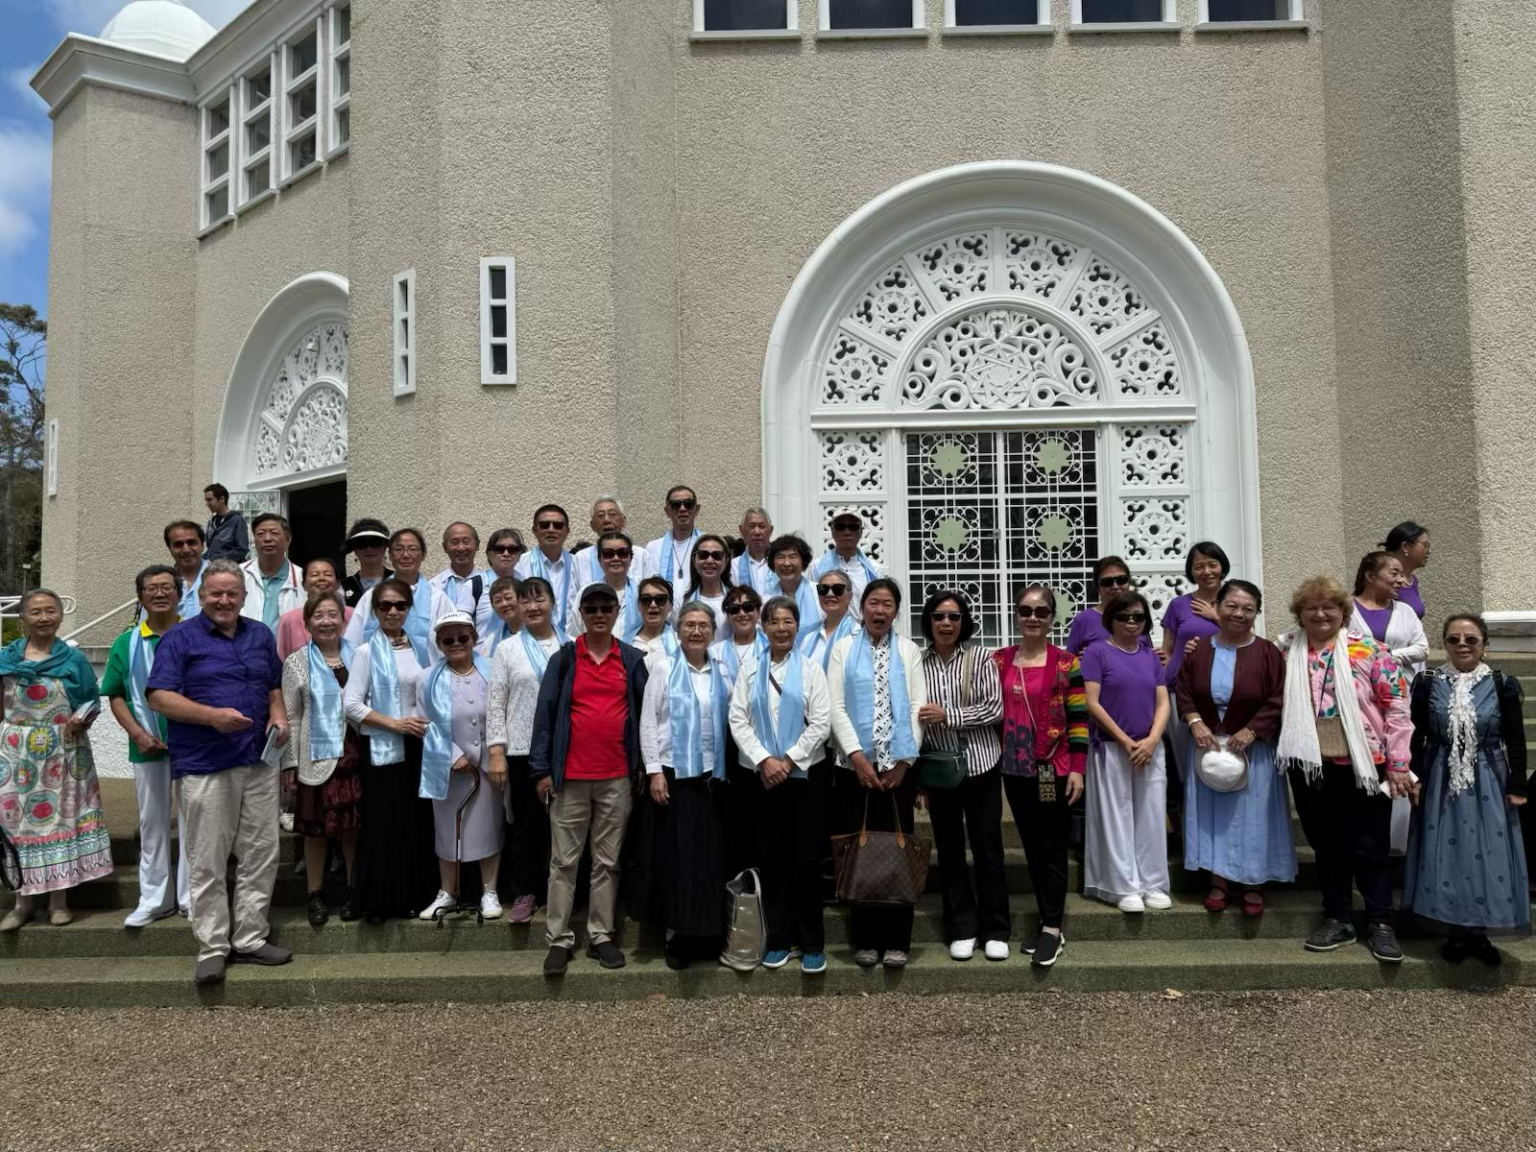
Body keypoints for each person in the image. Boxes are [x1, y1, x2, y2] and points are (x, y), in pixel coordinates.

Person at [145, 561, 290, 985]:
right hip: (207, 764)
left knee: (262, 852)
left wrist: (279, 715)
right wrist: (211, 717)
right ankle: (212, 946)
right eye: (216, 594)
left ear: (244, 597)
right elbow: (158, 697)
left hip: (258, 761)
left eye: (232, 594)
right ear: (201, 596)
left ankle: (250, 937)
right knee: (207, 858)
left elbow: (273, 685)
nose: (224, 601)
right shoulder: (180, 638)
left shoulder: (260, 635)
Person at [1276, 575, 1413, 963]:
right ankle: (1337, 917)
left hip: (1365, 763)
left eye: (1328, 607)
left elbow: (1397, 707)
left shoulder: (1370, 650)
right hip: (1310, 766)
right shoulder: (1285, 651)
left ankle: (1380, 922)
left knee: (1370, 846)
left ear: (1343, 612)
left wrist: (1400, 763)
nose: (1320, 614)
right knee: (1327, 846)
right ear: (1299, 614)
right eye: (1311, 608)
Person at [530, 582, 650, 977]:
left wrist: (642, 768)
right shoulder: (565, 660)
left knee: (607, 862)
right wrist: (542, 770)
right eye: (592, 608)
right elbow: (545, 718)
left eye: (606, 608)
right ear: (581, 612)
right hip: (570, 778)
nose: (599, 614)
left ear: (618, 612)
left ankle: (600, 935)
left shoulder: (631, 659)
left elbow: (644, 719)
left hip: (616, 778)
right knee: (563, 862)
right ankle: (559, 938)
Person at [1405, 614, 1529, 962]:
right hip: (1440, 776)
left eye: (1471, 639)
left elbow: (1515, 738)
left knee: (1487, 852)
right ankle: (1454, 930)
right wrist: (1414, 777)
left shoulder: (1502, 684)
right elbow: (1416, 735)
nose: (1462, 645)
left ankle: (1481, 933)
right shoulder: (1428, 682)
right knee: (1447, 851)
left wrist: (1518, 782)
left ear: (1484, 646)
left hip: (1489, 775)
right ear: (1443, 644)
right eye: (1454, 639)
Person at [1177, 579, 1293, 919]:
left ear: (1256, 612)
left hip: (1252, 751)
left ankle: (1253, 883)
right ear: (1219, 606)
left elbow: (1279, 696)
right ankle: (1219, 880)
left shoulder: (1268, 653)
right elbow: (1183, 688)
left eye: (1247, 608)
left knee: (1251, 817)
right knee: (1216, 818)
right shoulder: (1199, 649)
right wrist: (1195, 722)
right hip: (1208, 747)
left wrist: (1253, 730)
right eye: (1231, 605)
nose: (1238, 613)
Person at [729, 595, 833, 973]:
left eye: (788, 621)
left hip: (804, 778)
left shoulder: (811, 670)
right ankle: (778, 940)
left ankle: (812, 943)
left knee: (806, 859)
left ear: (796, 625)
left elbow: (821, 722)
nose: (781, 628)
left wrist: (787, 761)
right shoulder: (750, 670)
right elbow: (738, 718)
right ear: (763, 626)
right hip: (762, 779)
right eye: (774, 622)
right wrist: (764, 760)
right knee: (772, 860)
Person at [827, 578, 926, 968]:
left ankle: (898, 940)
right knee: (861, 851)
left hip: (899, 770)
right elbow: (835, 706)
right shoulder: (843, 650)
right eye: (873, 603)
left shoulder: (908, 650)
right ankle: (865, 939)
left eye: (887, 604)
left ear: (896, 611)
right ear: (861, 607)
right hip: (855, 770)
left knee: (899, 851)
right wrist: (857, 757)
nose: (880, 610)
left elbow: (918, 705)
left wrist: (905, 762)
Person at [0, 589, 112, 932]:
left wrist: (81, 718)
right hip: (16, 753)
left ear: (60, 616)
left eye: (50, 611)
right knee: (16, 825)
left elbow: (92, 702)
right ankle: (21, 904)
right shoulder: (5, 659)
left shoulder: (74, 660)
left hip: (64, 751)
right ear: (23, 618)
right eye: (36, 612)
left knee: (62, 820)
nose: (44, 617)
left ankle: (59, 901)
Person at [993, 583, 1087, 969]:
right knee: (1031, 844)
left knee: (1050, 846)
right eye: (1025, 610)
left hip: (1051, 769)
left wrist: (1078, 770)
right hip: (1013, 771)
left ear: (1052, 618)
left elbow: (1079, 721)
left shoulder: (1066, 663)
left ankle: (1052, 927)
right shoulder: (999, 660)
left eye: (1041, 612)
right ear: (1016, 615)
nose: (1032, 618)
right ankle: (1047, 916)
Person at [637, 603, 732, 968]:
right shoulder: (661, 668)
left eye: (703, 626)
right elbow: (648, 722)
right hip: (674, 776)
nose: (696, 632)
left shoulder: (720, 671)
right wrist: (654, 771)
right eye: (689, 625)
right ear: (678, 631)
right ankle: (677, 935)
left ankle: (708, 934)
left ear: (712, 631)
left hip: (712, 777)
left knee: (708, 858)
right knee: (677, 859)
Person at [916, 591, 1006, 961]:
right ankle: (962, 927)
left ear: (963, 621)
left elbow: (995, 707)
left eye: (954, 617)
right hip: (939, 769)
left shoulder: (981, 657)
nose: (946, 623)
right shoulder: (917, 663)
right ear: (929, 622)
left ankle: (996, 928)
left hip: (981, 764)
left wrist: (949, 715)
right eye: (939, 616)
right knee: (950, 850)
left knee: (987, 848)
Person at [342, 576, 437, 922]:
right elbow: (350, 704)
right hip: (383, 747)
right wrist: (394, 724)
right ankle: (382, 900)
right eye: (385, 606)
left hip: (419, 747)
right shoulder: (366, 652)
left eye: (400, 605)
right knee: (383, 822)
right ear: (375, 610)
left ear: (409, 609)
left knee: (416, 822)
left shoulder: (423, 647)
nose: (393, 612)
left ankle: (415, 894)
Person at [101, 566, 190, 927]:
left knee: (193, 824)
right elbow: (116, 694)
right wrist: (137, 733)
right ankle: (154, 899)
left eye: (167, 587)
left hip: (193, 746)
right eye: (151, 588)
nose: (159, 593)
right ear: (140, 597)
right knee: (152, 823)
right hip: (146, 746)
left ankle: (190, 897)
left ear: (179, 593)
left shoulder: (195, 634)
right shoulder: (127, 642)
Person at [1081, 590, 1171, 913]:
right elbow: (1092, 703)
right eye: (1123, 616)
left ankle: (1153, 882)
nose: (1131, 622)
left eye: (1138, 617)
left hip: (1149, 748)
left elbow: (1163, 702)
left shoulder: (1149, 655)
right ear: (1110, 620)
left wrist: (1152, 740)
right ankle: (1122, 885)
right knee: (1116, 816)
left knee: (1150, 814)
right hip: (1111, 746)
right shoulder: (1096, 652)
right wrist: (1125, 741)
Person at [415, 612, 505, 922]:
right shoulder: (427, 678)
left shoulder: (492, 669)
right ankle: (448, 892)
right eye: (448, 640)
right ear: (439, 644)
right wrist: (453, 755)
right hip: (450, 767)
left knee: (488, 828)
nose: (456, 644)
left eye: (462, 638)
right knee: (446, 828)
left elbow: (501, 712)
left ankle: (489, 890)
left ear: (474, 639)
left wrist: (496, 753)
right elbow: (424, 722)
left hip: (488, 765)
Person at [280, 593, 362, 926]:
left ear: (343, 621)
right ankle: (315, 894)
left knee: (353, 829)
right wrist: (290, 763)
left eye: (333, 615)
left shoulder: (360, 656)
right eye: (319, 616)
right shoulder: (296, 662)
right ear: (307, 622)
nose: (327, 621)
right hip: (315, 758)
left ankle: (354, 890)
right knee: (315, 831)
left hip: (356, 756)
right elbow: (292, 717)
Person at [487, 576, 564, 924]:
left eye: (540, 600)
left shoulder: (569, 645)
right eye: (526, 601)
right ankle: (524, 890)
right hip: (520, 750)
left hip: (564, 751)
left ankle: (561, 891)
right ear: (516, 606)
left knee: (565, 825)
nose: (533, 607)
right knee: (526, 825)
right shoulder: (507, 649)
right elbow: (496, 703)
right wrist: (496, 751)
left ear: (552, 603)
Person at [343, 528, 451, 659]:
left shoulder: (437, 598)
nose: (406, 555)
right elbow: (352, 643)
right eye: (399, 549)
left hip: (426, 675)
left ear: (422, 555)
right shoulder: (372, 596)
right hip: (378, 674)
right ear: (390, 555)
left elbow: (452, 643)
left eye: (412, 549)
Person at [1160, 542, 1228, 693]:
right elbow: (1167, 651)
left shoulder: (1234, 603)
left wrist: (1216, 617)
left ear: (1222, 566)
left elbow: (1249, 641)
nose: (1206, 571)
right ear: (1191, 572)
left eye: (1212, 565)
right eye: (1198, 567)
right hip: (1177, 686)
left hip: (1220, 689)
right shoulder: (1178, 604)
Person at [1349, 551, 1428, 679]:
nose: (1401, 581)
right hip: (1358, 690)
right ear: (1370, 576)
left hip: (1401, 692)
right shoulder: (1346, 610)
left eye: (1402, 575)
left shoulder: (1405, 611)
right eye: (1394, 574)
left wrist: (1386, 655)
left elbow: (1422, 649)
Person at [568, 531, 643, 641]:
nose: (616, 558)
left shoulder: (642, 593)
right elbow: (574, 634)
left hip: (634, 656)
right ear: (599, 560)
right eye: (608, 554)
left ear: (630, 558)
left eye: (622, 553)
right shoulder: (586, 593)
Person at [515, 504, 576, 638]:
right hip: (532, 641)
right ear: (534, 530)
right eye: (544, 525)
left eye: (558, 525)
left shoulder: (578, 564)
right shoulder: (520, 564)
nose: (551, 529)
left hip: (572, 641)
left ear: (567, 531)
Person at [810, 511, 882, 622]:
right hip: (829, 634)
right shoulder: (817, 566)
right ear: (833, 532)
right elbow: (811, 604)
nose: (847, 532)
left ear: (861, 532)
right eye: (840, 526)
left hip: (864, 634)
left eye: (853, 527)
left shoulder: (874, 570)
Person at [276, 557, 353, 659]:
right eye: (314, 575)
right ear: (304, 584)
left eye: (328, 575)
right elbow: (282, 658)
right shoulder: (288, 620)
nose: (321, 578)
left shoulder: (353, 615)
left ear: (337, 584)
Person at [239, 512, 303, 634]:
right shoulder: (238, 574)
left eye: (274, 533)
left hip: (288, 651)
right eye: (260, 534)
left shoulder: (303, 579)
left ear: (288, 539)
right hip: (244, 649)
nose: (267, 539)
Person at [1065, 555, 1138, 656]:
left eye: (1121, 580)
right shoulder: (1084, 620)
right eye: (1107, 582)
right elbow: (1067, 662)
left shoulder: (1138, 616)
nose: (1115, 586)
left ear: (1129, 582)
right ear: (1098, 588)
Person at [579, 496, 653, 585]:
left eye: (612, 514)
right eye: (600, 516)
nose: (606, 520)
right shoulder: (581, 558)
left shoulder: (641, 555)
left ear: (624, 521)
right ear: (592, 525)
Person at [644, 485, 703, 590]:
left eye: (688, 504)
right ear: (667, 511)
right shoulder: (653, 548)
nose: (682, 509)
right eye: (675, 505)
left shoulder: (707, 544)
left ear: (697, 509)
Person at [800, 569, 858, 670]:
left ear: (850, 596)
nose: (830, 594)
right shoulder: (808, 637)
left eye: (837, 589)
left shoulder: (857, 633)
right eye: (823, 589)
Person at [475, 528, 526, 639]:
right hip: (485, 655)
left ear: (519, 555)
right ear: (489, 554)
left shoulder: (526, 584)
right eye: (499, 549)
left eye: (513, 549)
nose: (506, 553)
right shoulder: (475, 584)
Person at [430, 521, 489, 616]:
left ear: (477, 545)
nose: (461, 548)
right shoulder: (434, 586)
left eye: (466, 541)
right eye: (454, 542)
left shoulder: (488, 583)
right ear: (445, 547)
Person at [769, 534, 821, 643]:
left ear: (803, 561)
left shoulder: (819, 592)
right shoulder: (766, 600)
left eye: (793, 557)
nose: (787, 563)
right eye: (780, 557)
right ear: (773, 563)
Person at [683, 533, 734, 633]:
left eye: (717, 556)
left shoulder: (737, 601)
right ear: (694, 561)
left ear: (726, 561)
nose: (710, 560)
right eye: (703, 555)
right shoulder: (682, 601)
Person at [1380, 520, 1430, 620]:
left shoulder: (1412, 581)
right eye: (1425, 546)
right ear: (1406, 547)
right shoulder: (1382, 579)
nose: (1428, 551)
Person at [340, 519, 392, 608]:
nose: (369, 549)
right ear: (355, 550)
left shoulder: (399, 581)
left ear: (384, 548)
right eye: (361, 544)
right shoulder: (343, 586)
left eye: (375, 543)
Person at [629, 576, 681, 663]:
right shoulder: (626, 643)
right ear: (638, 605)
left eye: (660, 599)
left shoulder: (680, 645)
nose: (653, 605)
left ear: (671, 606)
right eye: (646, 600)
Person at [164, 520, 209, 617]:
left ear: (202, 545)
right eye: (178, 544)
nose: (186, 550)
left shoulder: (220, 577)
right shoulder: (162, 584)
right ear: (170, 549)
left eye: (191, 543)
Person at [733, 508, 776, 597]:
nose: (757, 532)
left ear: (771, 530)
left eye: (762, 526)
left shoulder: (781, 564)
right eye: (752, 526)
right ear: (741, 530)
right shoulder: (732, 567)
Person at [202, 483, 249, 562]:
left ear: (222, 499)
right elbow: (210, 550)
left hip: (229, 570)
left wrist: (216, 560)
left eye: (209, 500)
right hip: (213, 568)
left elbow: (241, 550)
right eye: (206, 500)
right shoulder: (212, 522)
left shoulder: (237, 520)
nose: (207, 504)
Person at [479, 575, 522, 659]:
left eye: (508, 598)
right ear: (493, 606)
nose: (504, 604)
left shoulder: (538, 632)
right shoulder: (491, 642)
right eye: (498, 601)